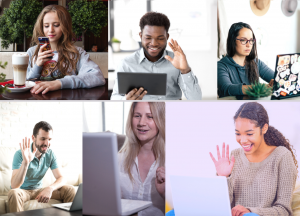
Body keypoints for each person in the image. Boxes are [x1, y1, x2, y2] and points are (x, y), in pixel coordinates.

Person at [209, 102, 297, 216]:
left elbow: (284, 210)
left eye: (249, 134)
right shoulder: (234, 156)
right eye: (238, 134)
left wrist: (251, 212)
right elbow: (222, 206)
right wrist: (223, 177)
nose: (243, 140)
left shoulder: (282, 157)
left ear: (264, 128)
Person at [111, 12, 202, 100]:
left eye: (160, 38)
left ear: (167, 36)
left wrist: (185, 70)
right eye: (148, 38)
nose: (154, 44)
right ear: (140, 35)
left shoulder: (176, 61)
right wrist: (126, 100)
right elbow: (114, 98)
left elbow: (196, 99)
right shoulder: (126, 63)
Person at [27, 5, 105, 95]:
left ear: (65, 26)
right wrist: (37, 65)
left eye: (56, 25)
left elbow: (98, 76)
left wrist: (59, 83)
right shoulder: (32, 52)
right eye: (46, 26)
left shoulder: (77, 53)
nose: (51, 30)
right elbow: (22, 83)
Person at [8, 121, 76, 213]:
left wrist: (50, 188)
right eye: (43, 139)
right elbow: (14, 186)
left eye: (49, 139)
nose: (47, 143)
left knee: (70, 189)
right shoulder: (20, 154)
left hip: (39, 190)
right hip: (23, 191)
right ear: (33, 138)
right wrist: (25, 162)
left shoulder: (50, 154)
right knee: (13, 193)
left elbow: (62, 178)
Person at [118, 102, 165, 216]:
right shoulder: (118, 159)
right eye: (137, 116)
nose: (141, 123)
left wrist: (166, 194)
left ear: (160, 120)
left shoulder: (174, 160)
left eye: (150, 117)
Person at [218, 22, 274, 98]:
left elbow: (276, 78)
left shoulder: (256, 62)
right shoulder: (221, 66)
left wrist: (276, 82)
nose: (248, 45)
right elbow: (227, 88)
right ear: (233, 41)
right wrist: (260, 88)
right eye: (243, 40)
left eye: (251, 40)